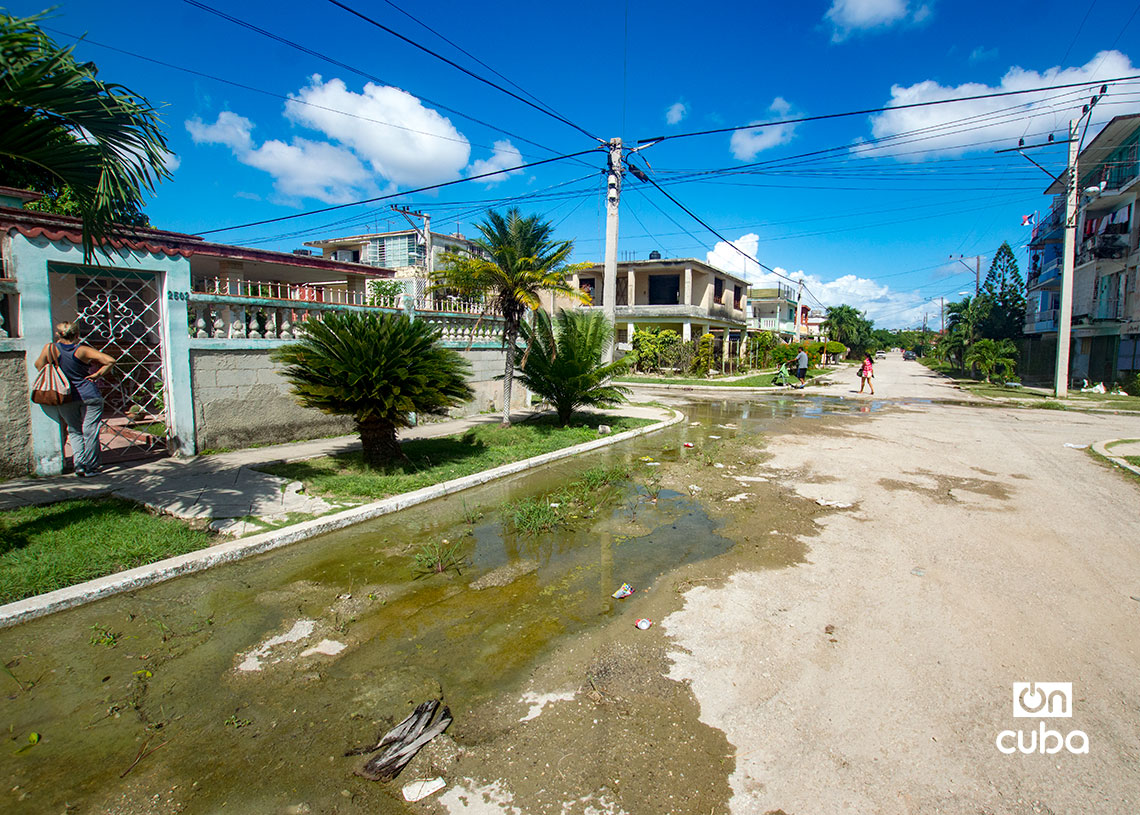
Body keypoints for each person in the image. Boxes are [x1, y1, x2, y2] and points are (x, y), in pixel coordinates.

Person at [35, 321, 115, 476]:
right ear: (77, 335)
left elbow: (39, 365)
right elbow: (110, 360)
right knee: (90, 431)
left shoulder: (50, 348)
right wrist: (97, 374)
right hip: (89, 394)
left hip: (65, 395)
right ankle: (92, 467)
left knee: (74, 430)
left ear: (58, 334)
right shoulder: (83, 350)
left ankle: (79, 465)